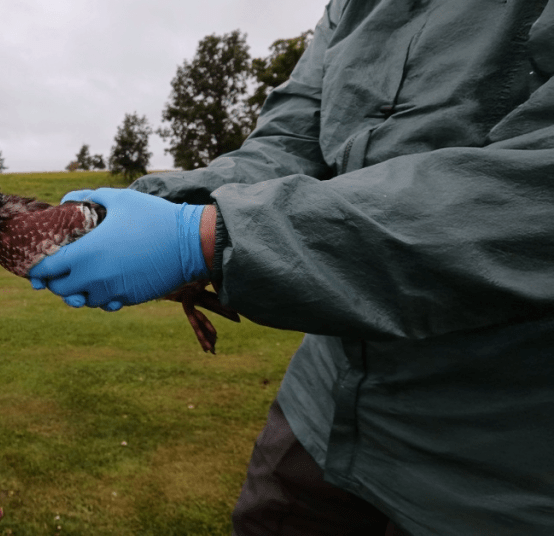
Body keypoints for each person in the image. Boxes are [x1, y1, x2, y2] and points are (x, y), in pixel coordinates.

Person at [28, 1, 554, 534]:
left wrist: (206, 236)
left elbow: (530, 199)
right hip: (321, 412)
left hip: (501, 475)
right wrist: (150, 206)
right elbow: (289, 142)